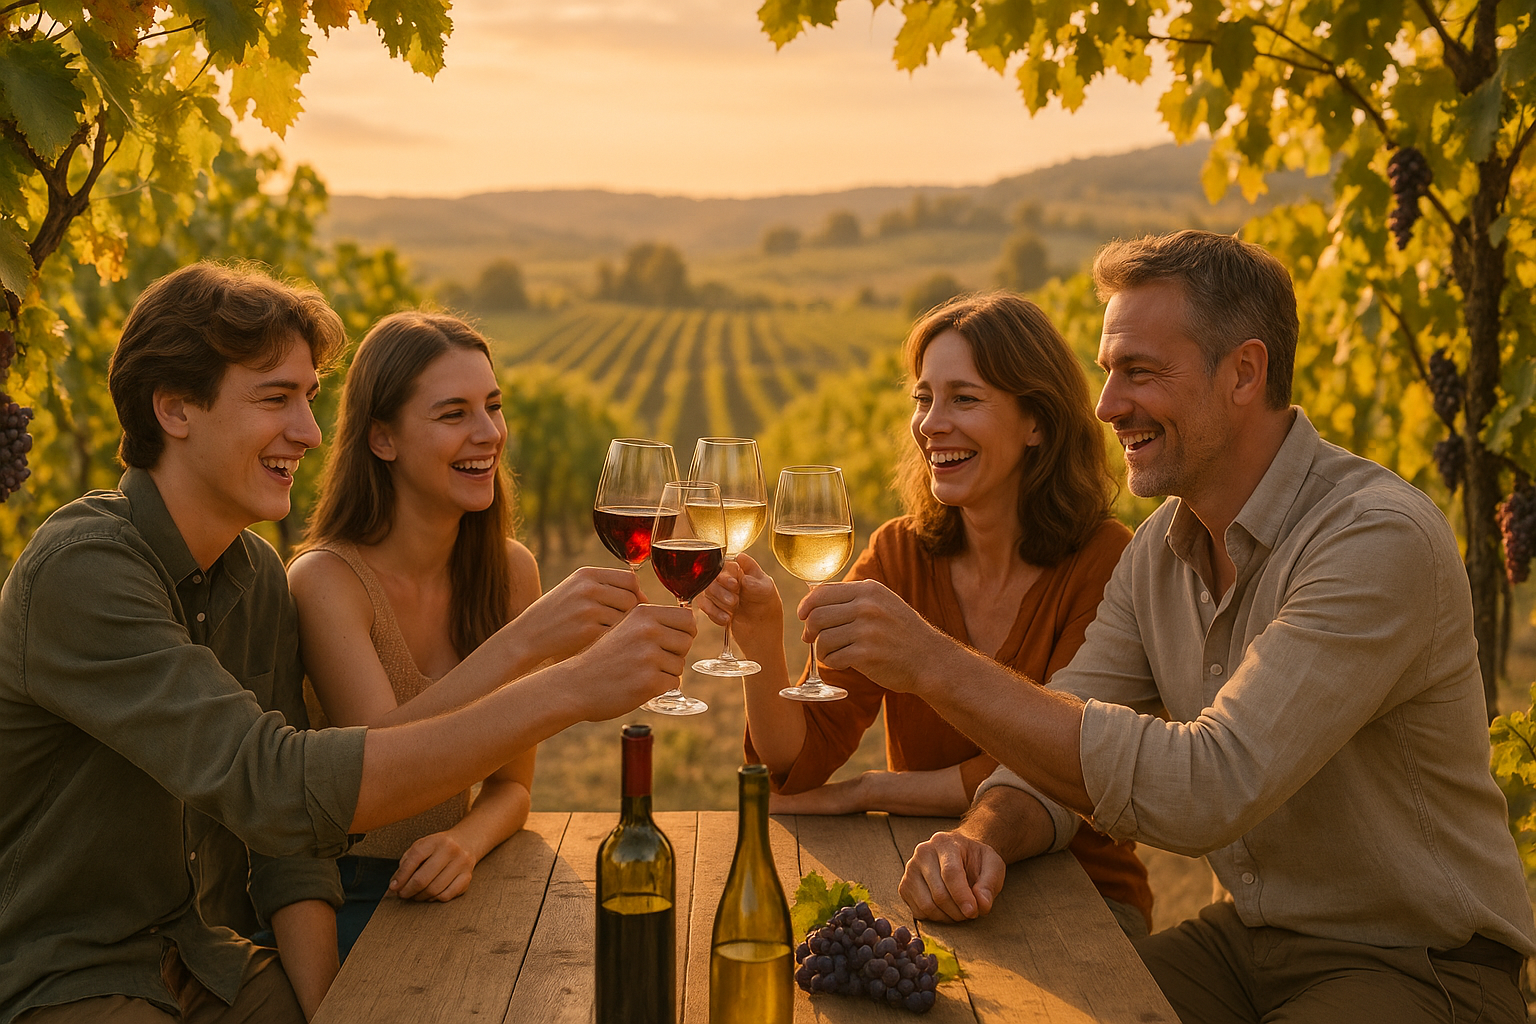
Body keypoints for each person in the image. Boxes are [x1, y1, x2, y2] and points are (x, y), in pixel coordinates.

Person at [794, 232, 1536, 1022]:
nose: (1108, 403)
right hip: (1246, 942)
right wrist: (982, 832)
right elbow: (1061, 737)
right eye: (1109, 371)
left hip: (1419, 965)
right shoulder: (1159, 552)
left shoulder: (1373, 540)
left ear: (1244, 372)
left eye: (1140, 372)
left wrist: (934, 665)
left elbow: (1208, 786)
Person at [0, 262, 691, 1024]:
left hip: (208, 958)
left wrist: (332, 1006)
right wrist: (565, 687)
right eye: (275, 399)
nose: (309, 431)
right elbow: (278, 784)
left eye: (309, 398)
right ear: (174, 408)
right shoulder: (86, 570)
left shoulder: (252, 575)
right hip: (69, 976)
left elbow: (287, 847)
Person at [702, 292, 1153, 935]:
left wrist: (871, 791)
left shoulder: (1104, 562)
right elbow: (797, 764)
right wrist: (760, 644)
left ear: (1037, 422)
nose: (931, 423)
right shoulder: (899, 555)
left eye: (964, 399)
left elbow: (1055, 764)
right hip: (926, 878)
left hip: (1083, 895)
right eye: (924, 399)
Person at [288, 312, 542, 960]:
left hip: (459, 879)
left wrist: (466, 840)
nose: (488, 434)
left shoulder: (510, 573)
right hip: (344, 899)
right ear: (382, 439)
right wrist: (525, 646)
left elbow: (512, 786)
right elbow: (382, 769)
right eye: (454, 413)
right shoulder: (326, 582)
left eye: (492, 406)